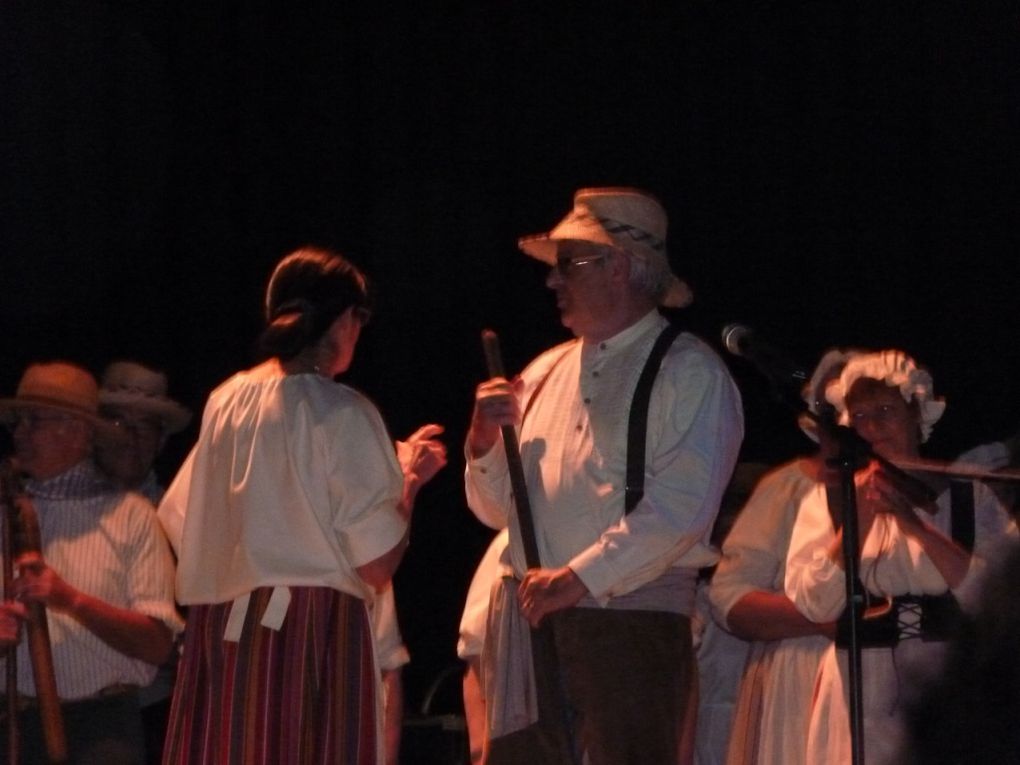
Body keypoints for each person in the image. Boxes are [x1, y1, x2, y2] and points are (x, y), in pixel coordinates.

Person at [465, 187, 744, 764]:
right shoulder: (544, 370)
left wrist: (580, 577)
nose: (552, 281)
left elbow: (680, 510)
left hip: (630, 622)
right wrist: (485, 446)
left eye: (568, 264)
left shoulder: (688, 371)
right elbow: (498, 513)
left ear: (618, 267)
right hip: (532, 622)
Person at [157, 246, 447, 764]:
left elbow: (180, 517)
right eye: (358, 319)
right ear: (342, 320)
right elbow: (375, 563)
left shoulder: (227, 399)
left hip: (221, 631)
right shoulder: (342, 410)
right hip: (310, 631)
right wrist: (409, 485)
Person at [784, 349, 1018, 764]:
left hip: (943, 679)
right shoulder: (829, 500)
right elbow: (813, 600)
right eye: (859, 416)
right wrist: (858, 520)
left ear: (917, 416)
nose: (872, 426)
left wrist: (913, 525)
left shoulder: (967, 495)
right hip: (857, 684)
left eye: (886, 410)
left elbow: (997, 598)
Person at [0, 361, 183, 763]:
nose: (20, 432)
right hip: (10, 724)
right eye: (19, 420)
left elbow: (157, 644)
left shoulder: (131, 516)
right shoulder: (5, 512)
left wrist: (70, 600)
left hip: (101, 732)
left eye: (35, 420)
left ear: (79, 432)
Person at [708, 350, 852, 765]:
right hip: (801, 676)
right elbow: (729, 597)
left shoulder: (918, 489)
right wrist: (826, 619)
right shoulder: (788, 488)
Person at [95, 360, 193, 503]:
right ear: (96, 430)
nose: (131, 436)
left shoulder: (174, 516)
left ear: (161, 440)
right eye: (118, 422)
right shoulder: (62, 499)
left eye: (144, 426)